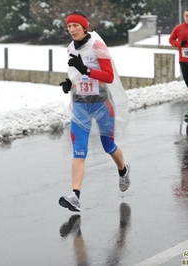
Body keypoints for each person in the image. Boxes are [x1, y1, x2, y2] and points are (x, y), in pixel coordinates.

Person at [58, 10, 130, 212]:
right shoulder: (71, 48)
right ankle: (75, 196)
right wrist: (69, 83)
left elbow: (108, 76)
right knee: (79, 150)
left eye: (75, 26)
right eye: (69, 26)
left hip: (101, 104)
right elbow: (75, 74)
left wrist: (86, 70)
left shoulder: (97, 46)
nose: (72, 29)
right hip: (80, 105)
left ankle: (123, 170)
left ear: (84, 27)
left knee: (108, 146)